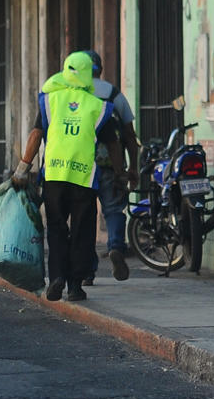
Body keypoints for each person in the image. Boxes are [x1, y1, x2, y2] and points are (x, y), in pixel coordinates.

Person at [12, 52, 126, 302]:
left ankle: (56, 278)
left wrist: (22, 168)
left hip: (54, 177)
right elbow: (114, 144)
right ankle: (75, 286)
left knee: (56, 229)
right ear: (90, 75)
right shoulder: (97, 106)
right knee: (82, 233)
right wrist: (119, 174)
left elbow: (36, 134)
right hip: (84, 180)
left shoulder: (50, 101)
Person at [81, 50, 139, 285]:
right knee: (114, 209)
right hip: (110, 163)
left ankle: (86, 271)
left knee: (83, 216)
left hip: (78, 165)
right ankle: (116, 245)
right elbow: (129, 135)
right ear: (100, 70)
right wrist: (132, 168)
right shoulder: (113, 93)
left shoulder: (72, 93)